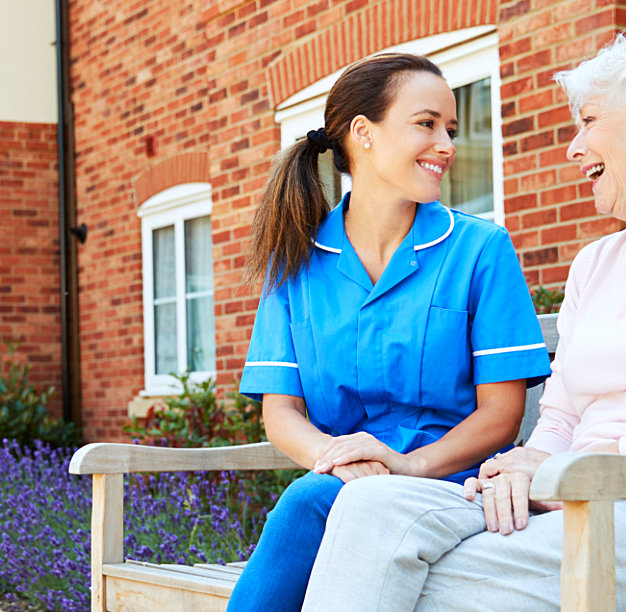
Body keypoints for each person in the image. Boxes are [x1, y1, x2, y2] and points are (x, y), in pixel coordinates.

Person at [300, 30, 626, 611]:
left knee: (422, 582)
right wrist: (519, 470)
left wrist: (566, 469)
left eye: (590, 121)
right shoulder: (596, 264)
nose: (574, 149)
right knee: (368, 509)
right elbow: (561, 418)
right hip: (579, 505)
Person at [227, 53, 552, 611]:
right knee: (318, 498)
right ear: (363, 133)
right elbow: (280, 412)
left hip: (456, 483)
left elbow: (501, 415)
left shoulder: (480, 250)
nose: (447, 144)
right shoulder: (296, 263)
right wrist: (341, 460)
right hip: (340, 485)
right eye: (426, 124)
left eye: (450, 129)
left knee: (309, 502)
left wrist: (405, 466)